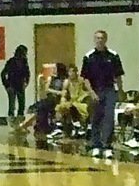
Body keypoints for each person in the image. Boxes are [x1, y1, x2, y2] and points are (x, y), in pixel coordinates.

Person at [81, 30, 125, 159]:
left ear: (105, 39)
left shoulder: (113, 55)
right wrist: (91, 92)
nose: (99, 40)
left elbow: (118, 75)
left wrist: (121, 90)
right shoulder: (89, 56)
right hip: (95, 90)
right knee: (96, 118)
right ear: (94, 40)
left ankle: (107, 146)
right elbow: (85, 78)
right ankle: (96, 145)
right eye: (97, 38)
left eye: (102, 38)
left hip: (109, 90)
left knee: (109, 118)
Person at [53, 64, 90, 138]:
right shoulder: (67, 82)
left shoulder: (81, 81)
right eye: (70, 72)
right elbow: (64, 94)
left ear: (76, 72)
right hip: (72, 102)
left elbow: (89, 91)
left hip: (81, 102)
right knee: (62, 107)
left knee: (73, 106)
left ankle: (78, 127)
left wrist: (84, 97)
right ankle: (59, 128)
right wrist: (62, 101)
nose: (72, 73)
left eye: (73, 71)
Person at [1, 45, 30, 127]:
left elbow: (27, 73)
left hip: (20, 85)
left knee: (21, 104)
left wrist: (26, 81)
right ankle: (11, 122)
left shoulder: (24, 62)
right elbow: (3, 73)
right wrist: (6, 85)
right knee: (12, 104)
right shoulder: (11, 62)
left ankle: (20, 121)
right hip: (12, 85)